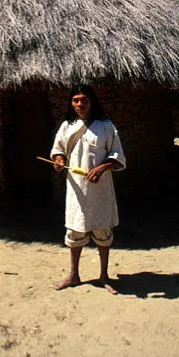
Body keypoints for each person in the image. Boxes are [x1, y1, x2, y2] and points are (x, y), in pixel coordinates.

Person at [50, 85, 125, 294]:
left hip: (100, 190)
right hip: (77, 189)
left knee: (102, 230)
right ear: (71, 103)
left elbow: (118, 156)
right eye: (76, 100)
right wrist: (58, 160)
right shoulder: (67, 126)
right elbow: (58, 150)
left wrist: (102, 167)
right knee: (75, 230)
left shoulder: (106, 127)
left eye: (84, 100)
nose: (80, 104)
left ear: (92, 102)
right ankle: (74, 275)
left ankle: (104, 275)